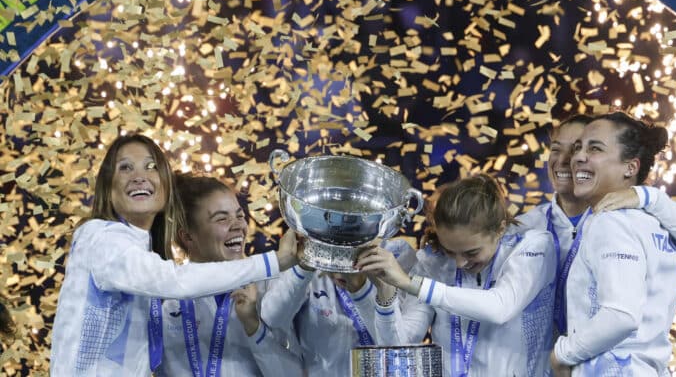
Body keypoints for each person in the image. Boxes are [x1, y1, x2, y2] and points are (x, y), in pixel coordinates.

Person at [50, 134, 298, 377]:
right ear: (107, 185)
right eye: (125, 168)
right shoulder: (100, 238)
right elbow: (175, 280)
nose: (139, 176)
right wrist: (276, 260)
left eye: (151, 167)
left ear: (165, 185)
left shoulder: (144, 259)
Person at [550, 112, 676, 376]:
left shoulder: (610, 223)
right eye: (579, 147)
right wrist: (650, 197)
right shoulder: (655, 220)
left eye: (594, 148)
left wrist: (562, 354)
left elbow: (621, 316)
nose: (578, 157)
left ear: (630, 167)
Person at [356, 175, 557, 377]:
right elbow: (399, 347)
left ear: (500, 229)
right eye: (450, 251)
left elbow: (500, 308)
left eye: (472, 253)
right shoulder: (434, 262)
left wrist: (411, 284)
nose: (460, 263)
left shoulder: (534, 246)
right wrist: (386, 293)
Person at [158, 175, 303, 376]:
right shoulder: (167, 303)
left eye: (240, 216)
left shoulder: (269, 288)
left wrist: (254, 326)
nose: (238, 226)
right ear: (188, 236)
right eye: (222, 218)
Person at [259, 237, 417, 375]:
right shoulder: (303, 261)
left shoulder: (398, 259)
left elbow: (400, 358)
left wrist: (362, 291)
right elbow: (271, 320)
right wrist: (304, 269)